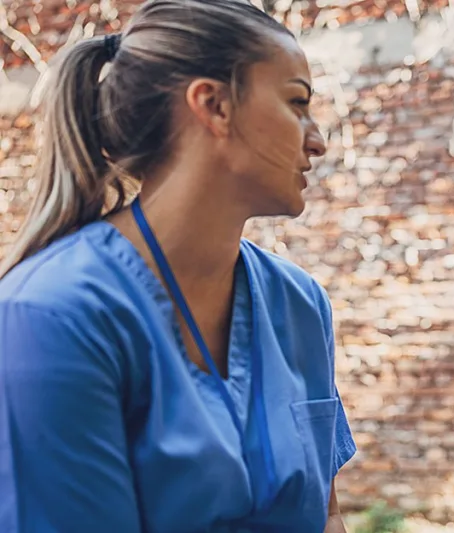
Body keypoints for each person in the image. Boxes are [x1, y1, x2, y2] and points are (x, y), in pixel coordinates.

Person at [0, 1, 356, 531]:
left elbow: (325, 516)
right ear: (213, 105)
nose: (318, 141)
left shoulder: (301, 304)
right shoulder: (52, 315)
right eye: (296, 103)